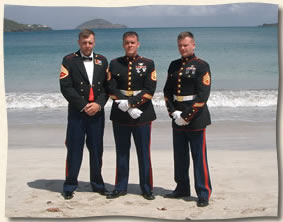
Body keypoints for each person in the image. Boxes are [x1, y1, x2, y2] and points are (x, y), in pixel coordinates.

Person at [163, 31, 212, 207]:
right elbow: (167, 92)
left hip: (196, 119)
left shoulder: (202, 66)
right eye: (180, 45)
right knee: (180, 157)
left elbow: (203, 95)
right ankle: (182, 188)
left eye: (186, 45)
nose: (182, 48)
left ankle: (203, 193)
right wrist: (173, 113)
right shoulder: (173, 65)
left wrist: (186, 116)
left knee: (199, 157)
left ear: (193, 45)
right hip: (177, 118)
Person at [106, 31, 157, 200]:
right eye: (127, 42)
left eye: (132, 42)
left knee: (143, 153)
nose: (130, 45)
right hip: (120, 114)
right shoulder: (114, 64)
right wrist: (126, 105)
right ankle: (120, 187)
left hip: (142, 114)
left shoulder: (148, 63)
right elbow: (110, 87)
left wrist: (132, 103)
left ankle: (147, 188)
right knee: (121, 152)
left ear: (138, 44)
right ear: (123, 44)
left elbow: (150, 89)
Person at [59, 29, 109, 200]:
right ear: (79, 42)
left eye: (90, 42)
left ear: (94, 43)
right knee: (74, 149)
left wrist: (99, 104)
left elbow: (106, 88)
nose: (87, 46)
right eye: (84, 42)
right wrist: (83, 106)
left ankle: (97, 184)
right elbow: (66, 87)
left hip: (97, 113)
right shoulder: (69, 60)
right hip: (77, 113)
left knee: (96, 150)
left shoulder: (102, 60)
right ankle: (70, 185)